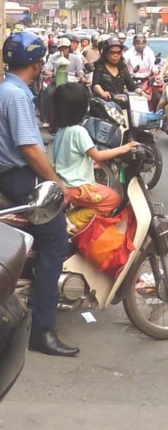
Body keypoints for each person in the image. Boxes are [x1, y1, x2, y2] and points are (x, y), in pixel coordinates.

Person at [0, 32, 78, 356]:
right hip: (18, 177)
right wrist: (57, 183)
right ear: (36, 63)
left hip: (13, 176)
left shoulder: (9, 89)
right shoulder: (16, 96)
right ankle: (43, 331)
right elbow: (31, 149)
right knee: (56, 239)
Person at [49, 83, 136, 219]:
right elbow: (98, 155)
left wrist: (88, 163)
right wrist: (123, 148)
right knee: (114, 199)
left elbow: (65, 159)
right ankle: (73, 220)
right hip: (78, 188)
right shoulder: (79, 131)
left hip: (64, 184)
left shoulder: (61, 131)